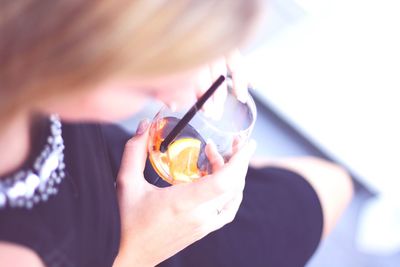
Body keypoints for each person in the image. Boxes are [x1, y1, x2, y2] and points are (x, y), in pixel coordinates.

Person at [0, 1, 353, 266]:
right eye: (148, 88)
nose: (180, 97)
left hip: (106, 168)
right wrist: (137, 251)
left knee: (329, 182)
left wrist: (183, 32)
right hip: (134, 247)